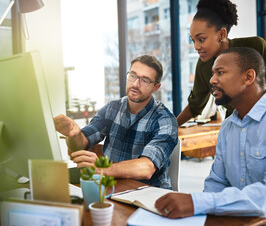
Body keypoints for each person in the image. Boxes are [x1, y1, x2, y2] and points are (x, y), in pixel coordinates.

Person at [155, 47, 266, 225]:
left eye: (220, 72)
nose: (212, 80)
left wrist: (197, 202)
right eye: (213, 73)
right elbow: (216, 184)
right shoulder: (228, 126)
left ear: (248, 77)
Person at [54, 55, 178, 189]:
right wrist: (75, 134)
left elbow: (147, 168)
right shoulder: (112, 108)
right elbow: (81, 143)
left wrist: (103, 169)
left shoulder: (165, 120)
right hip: (113, 189)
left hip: (151, 196)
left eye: (145, 80)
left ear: (156, 87)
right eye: (133, 75)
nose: (135, 84)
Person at [177, 0, 266, 126]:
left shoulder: (255, 46)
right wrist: (169, 129)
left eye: (201, 39)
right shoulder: (203, 65)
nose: (196, 47)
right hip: (236, 126)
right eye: (193, 41)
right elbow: (195, 105)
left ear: (222, 34)